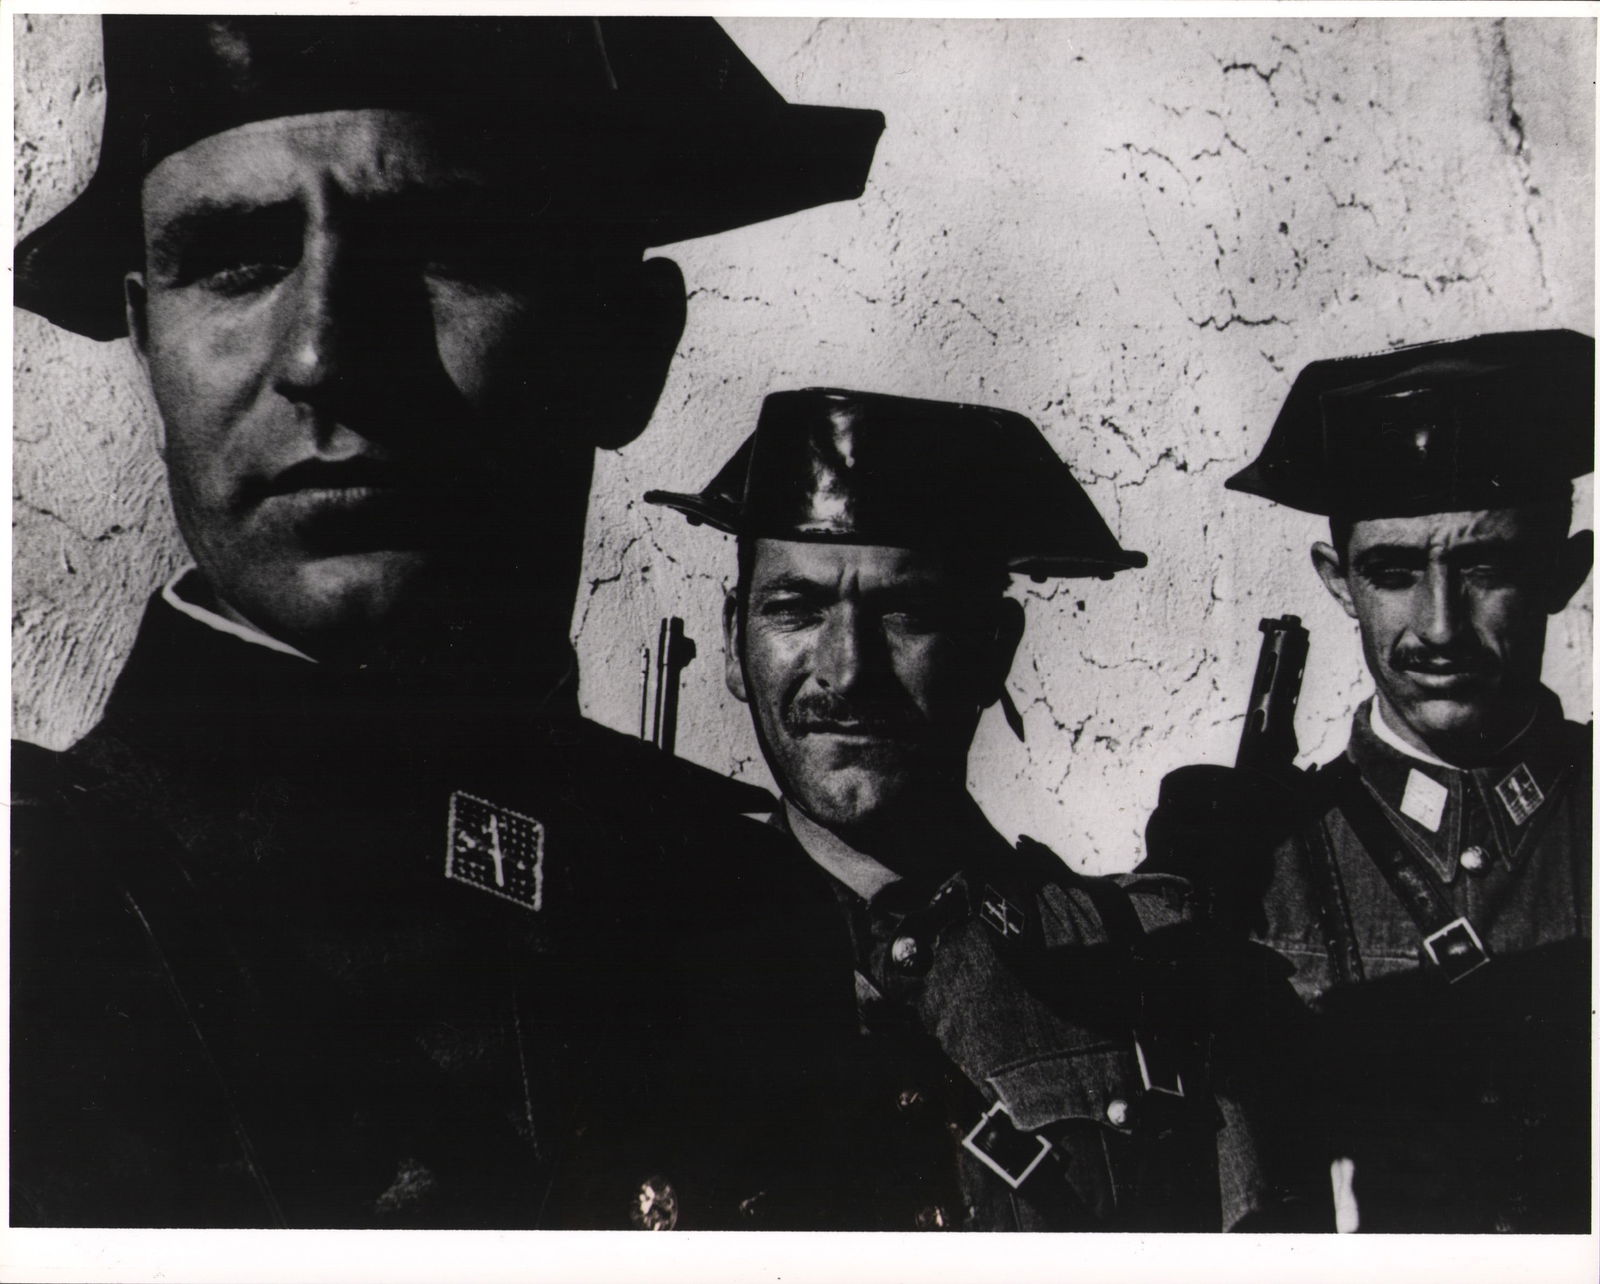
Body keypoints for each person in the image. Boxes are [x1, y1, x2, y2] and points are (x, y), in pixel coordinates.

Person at [10, 14, 884, 1229]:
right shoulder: (39, 908)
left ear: (627, 349)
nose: (323, 352)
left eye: (447, 245)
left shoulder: (741, 910)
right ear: (147, 336)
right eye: (236, 261)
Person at [646, 386, 1271, 1230]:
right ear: (731, 641)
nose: (845, 670)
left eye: (905, 613)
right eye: (795, 609)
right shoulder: (640, 966)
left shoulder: (1145, 969)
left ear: (994, 650)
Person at [1198, 328, 1593, 1231]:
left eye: (1486, 565)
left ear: (1564, 573)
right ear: (1338, 582)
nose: (1440, 627)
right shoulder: (1261, 855)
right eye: (1394, 572)